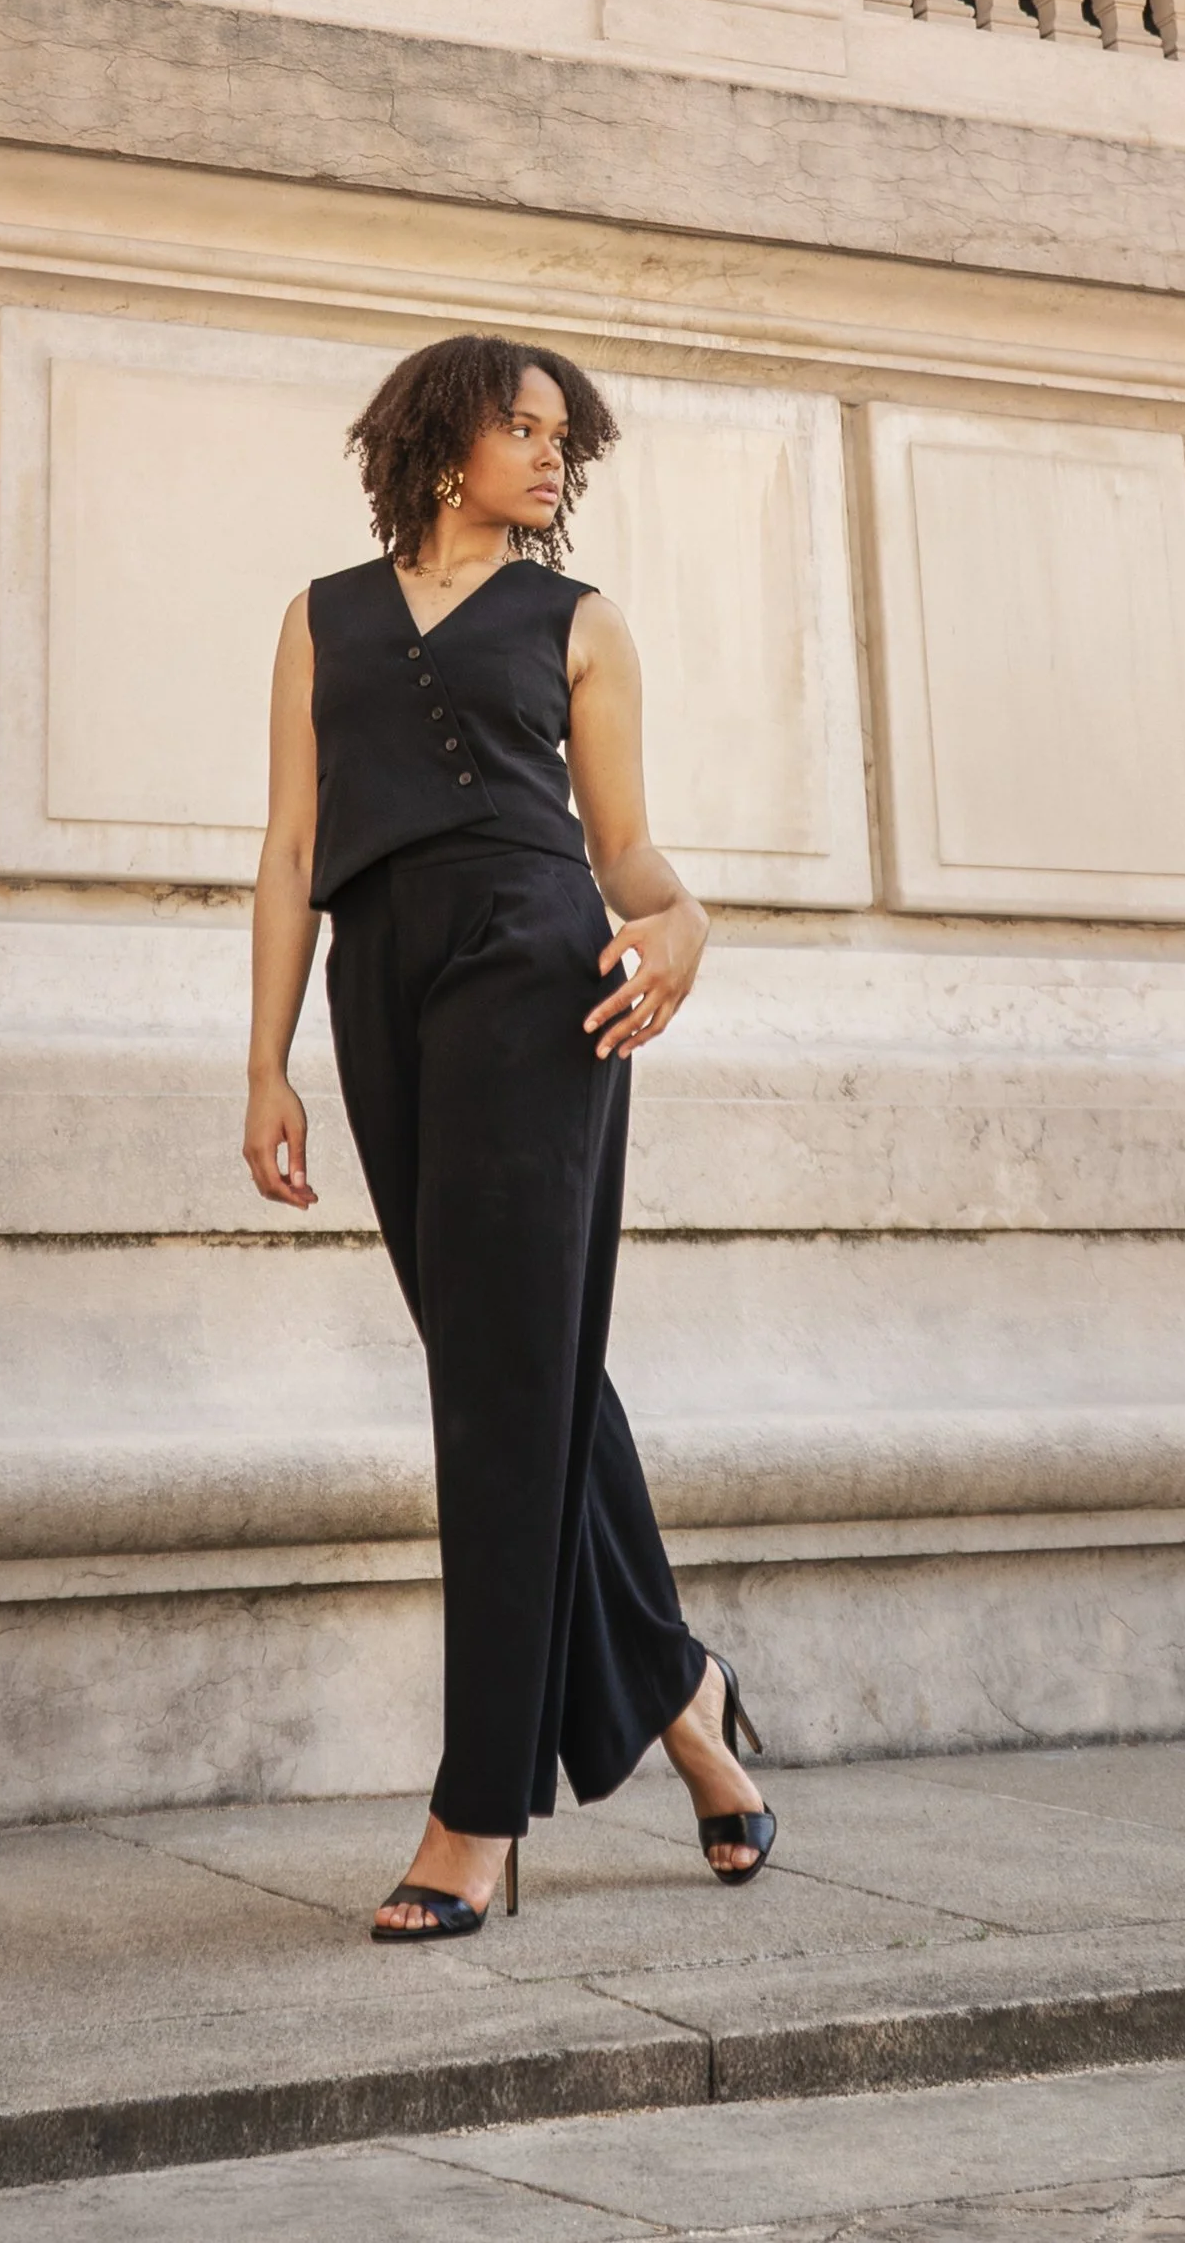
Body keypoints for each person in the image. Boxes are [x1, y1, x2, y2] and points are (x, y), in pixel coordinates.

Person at [244, 333, 776, 1941]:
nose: (551, 456)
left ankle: (478, 1808)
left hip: (537, 969)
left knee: (497, 1381)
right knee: (519, 1365)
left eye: (565, 435)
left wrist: (687, 924)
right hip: (378, 980)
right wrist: (262, 1062)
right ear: (439, 433)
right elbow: (286, 849)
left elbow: (624, 850)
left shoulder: (578, 622)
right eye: (520, 425)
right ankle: (685, 1697)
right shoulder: (319, 615)